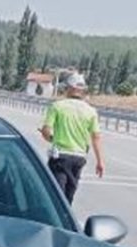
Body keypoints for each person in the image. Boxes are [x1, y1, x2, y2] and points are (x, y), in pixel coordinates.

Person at [39, 72, 104, 204]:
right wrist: (100, 161)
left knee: (56, 197)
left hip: (60, 157)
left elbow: (46, 131)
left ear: (69, 88)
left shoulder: (57, 106)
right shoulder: (90, 111)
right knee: (69, 196)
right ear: (82, 91)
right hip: (78, 158)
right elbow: (96, 137)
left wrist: (51, 138)